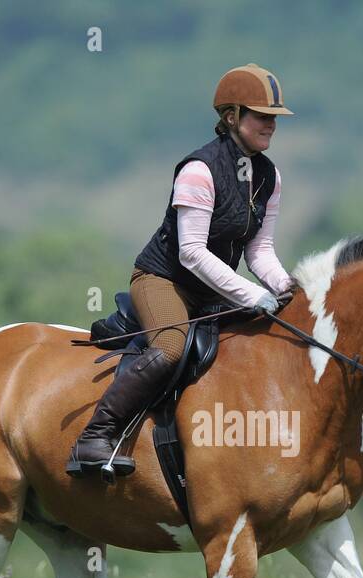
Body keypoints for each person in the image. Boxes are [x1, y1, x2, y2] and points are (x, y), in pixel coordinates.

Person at [67, 63, 297, 478]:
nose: (270, 126)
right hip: (163, 280)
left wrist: (285, 287)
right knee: (171, 347)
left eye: (274, 118)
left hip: (212, 291)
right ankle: (96, 437)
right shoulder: (199, 170)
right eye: (261, 116)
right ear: (231, 117)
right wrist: (251, 294)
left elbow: (259, 249)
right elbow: (191, 253)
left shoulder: (269, 176)